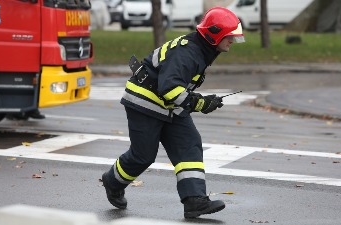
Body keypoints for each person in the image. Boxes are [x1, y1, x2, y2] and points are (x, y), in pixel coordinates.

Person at [101, 7, 245, 218]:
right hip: (145, 102)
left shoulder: (202, 49)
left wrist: (201, 102)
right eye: (230, 37)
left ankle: (195, 201)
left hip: (169, 105)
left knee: (189, 144)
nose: (232, 41)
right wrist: (200, 104)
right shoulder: (188, 52)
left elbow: (174, 89)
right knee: (143, 156)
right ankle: (112, 182)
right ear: (215, 35)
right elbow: (168, 88)